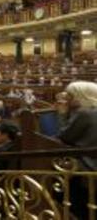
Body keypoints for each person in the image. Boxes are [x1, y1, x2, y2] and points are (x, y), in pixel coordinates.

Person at [55, 81, 97, 220]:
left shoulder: (84, 113)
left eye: (70, 96)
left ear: (80, 97)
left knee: (57, 184)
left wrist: (62, 113)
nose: (67, 99)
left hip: (88, 164)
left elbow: (64, 136)